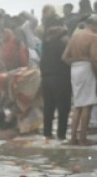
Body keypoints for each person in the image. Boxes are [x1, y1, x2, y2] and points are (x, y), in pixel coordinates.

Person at [61, 14, 97, 145]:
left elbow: (64, 57)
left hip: (75, 68)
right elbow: (94, 59)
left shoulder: (75, 37)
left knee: (78, 105)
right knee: (87, 104)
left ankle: (73, 138)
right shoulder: (93, 37)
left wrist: (77, 62)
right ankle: (83, 138)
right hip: (87, 68)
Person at [39, 11, 72, 140]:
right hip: (61, 77)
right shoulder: (64, 40)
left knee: (48, 107)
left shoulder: (46, 41)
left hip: (46, 77)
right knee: (63, 107)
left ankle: (47, 133)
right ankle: (61, 134)